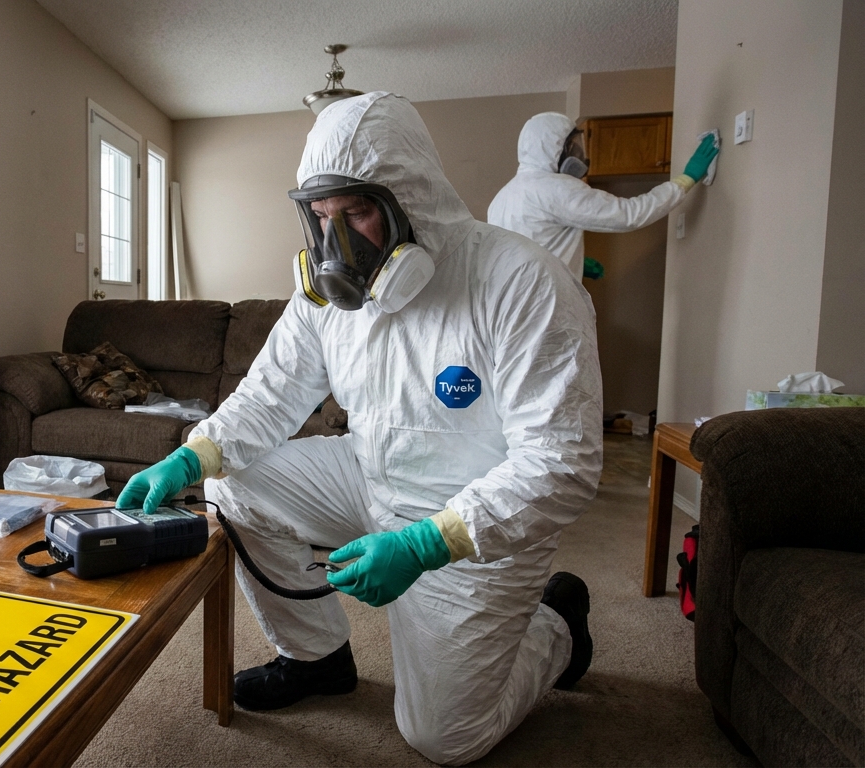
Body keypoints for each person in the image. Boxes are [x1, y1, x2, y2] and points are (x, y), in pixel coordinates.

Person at [116, 92, 602, 766]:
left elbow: (563, 462)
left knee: (442, 739)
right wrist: (192, 458)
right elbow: (269, 395)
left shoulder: (521, 281)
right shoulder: (327, 297)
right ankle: (315, 658)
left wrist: (428, 544)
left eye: (359, 211)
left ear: (412, 198)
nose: (336, 240)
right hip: (370, 474)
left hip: (471, 525)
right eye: (321, 216)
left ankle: (556, 625)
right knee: (232, 483)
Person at [488, 111, 718, 281]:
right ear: (555, 149)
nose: (579, 154)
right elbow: (630, 215)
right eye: (573, 146)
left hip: (514, 307)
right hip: (545, 310)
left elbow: (523, 248)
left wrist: (572, 263)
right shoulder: (557, 188)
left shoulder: (502, 198)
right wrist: (685, 180)